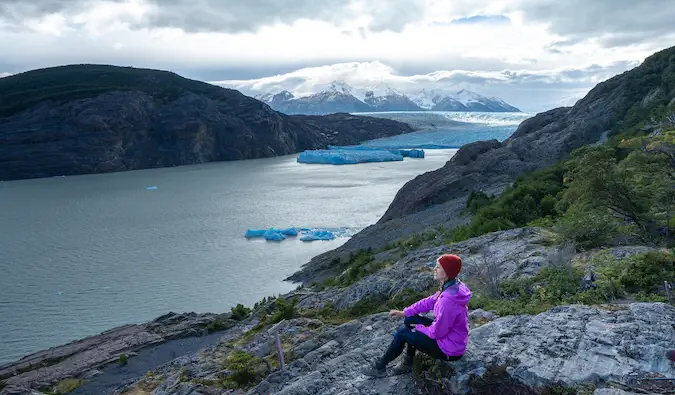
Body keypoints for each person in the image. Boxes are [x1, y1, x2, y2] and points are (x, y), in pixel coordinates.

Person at [362, 253, 472, 378]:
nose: (434, 269)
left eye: (438, 267)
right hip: (449, 337)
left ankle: (380, 367)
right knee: (410, 319)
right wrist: (405, 312)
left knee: (403, 332)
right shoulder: (453, 286)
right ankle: (408, 362)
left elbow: (437, 333)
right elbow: (429, 301)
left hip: (449, 349)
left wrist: (419, 328)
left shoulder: (448, 301)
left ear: (447, 271)